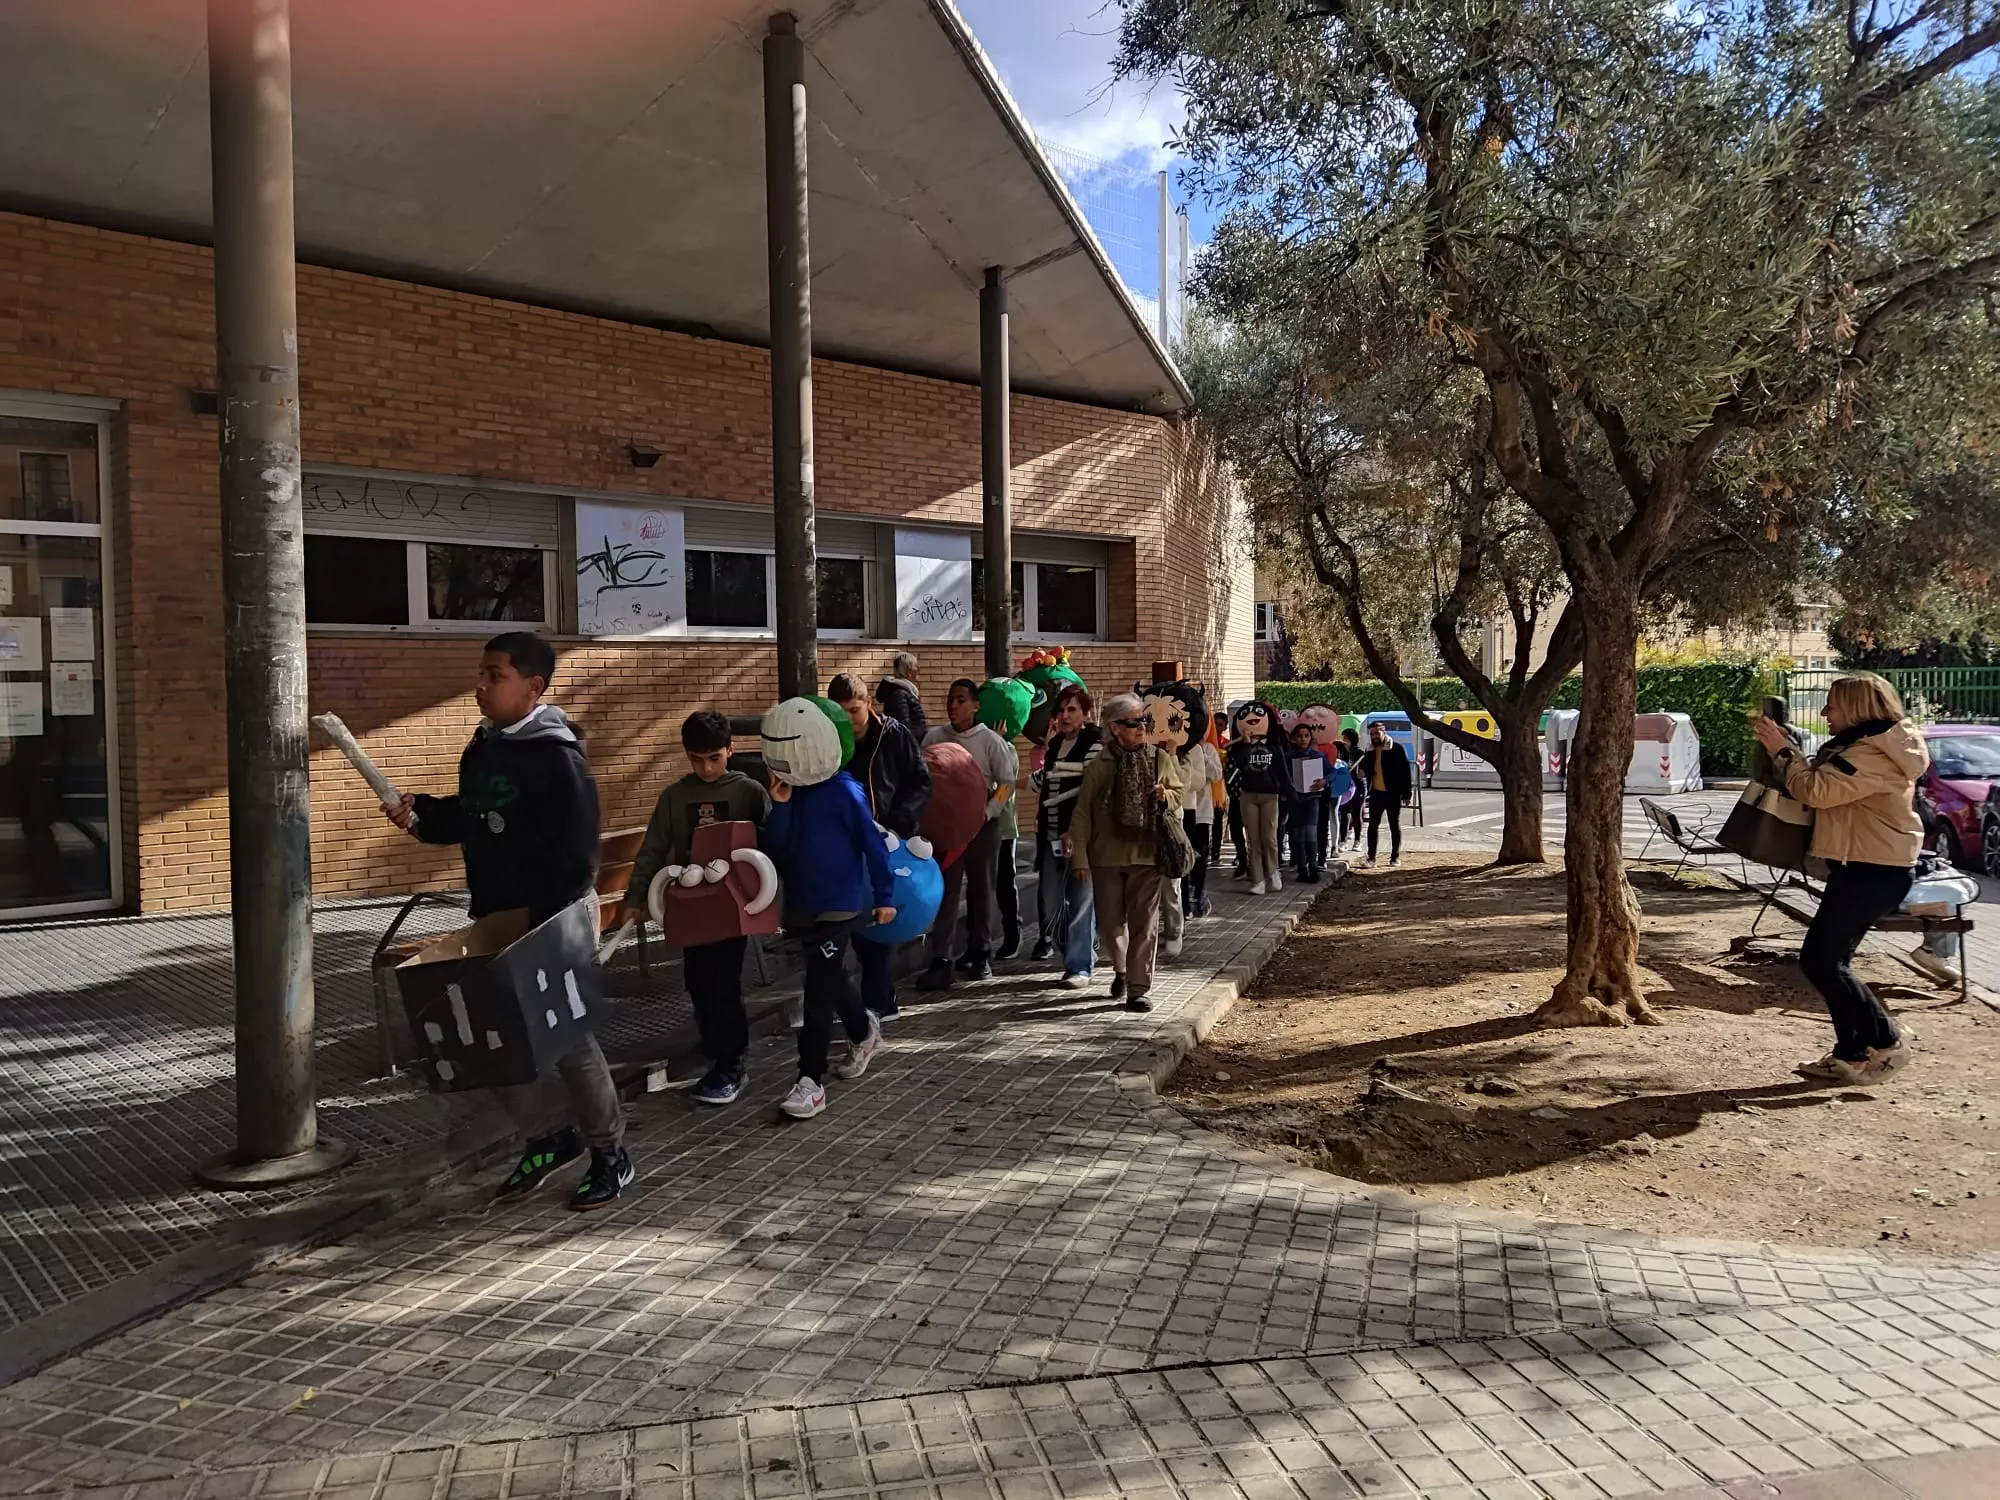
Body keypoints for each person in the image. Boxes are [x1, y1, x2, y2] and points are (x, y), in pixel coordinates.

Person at [388, 631, 633, 1210]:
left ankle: (610, 1152)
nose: (480, 686)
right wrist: (424, 815)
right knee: (487, 1040)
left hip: (550, 919)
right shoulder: (484, 746)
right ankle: (549, 1138)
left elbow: (578, 855)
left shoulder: (557, 757)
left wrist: (541, 931)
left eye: (495, 676)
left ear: (533, 687)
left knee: (567, 1039)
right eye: (481, 673)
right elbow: (475, 816)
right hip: (495, 919)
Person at [1753, 673, 1928, 1085]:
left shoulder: (1874, 754)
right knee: (1833, 962)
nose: (1823, 713)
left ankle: (1886, 1040)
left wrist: (1783, 752)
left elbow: (1817, 791)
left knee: (1821, 961)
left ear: (1855, 708)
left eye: (1831, 705)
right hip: (1864, 867)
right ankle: (1850, 1054)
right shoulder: (1864, 746)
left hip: (1874, 872)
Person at [621, 710, 770, 1107]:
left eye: (714, 758)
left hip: (733, 905)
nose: (706, 768)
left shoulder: (749, 791)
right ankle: (715, 1053)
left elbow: (773, 841)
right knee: (698, 982)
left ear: (730, 750)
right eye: (696, 759)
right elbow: (654, 848)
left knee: (724, 982)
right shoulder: (675, 797)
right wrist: (636, 898)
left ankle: (730, 1063)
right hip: (691, 904)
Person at [762, 743, 897, 1120]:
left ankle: (810, 1081)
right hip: (802, 907)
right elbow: (777, 849)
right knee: (829, 977)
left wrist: (885, 895)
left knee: (817, 992)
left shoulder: (845, 790)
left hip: (838, 905)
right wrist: (781, 806)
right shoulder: (792, 791)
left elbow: (873, 843)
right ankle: (864, 1031)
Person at [1068, 693, 1184, 1012]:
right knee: (1110, 924)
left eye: (1144, 720)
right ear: (1115, 728)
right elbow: (1082, 813)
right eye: (1134, 722)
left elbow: (1178, 792)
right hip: (1106, 856)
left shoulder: (1159, 758)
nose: (1142, 727)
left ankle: (1138, 989)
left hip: (1148, 854)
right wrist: (1080, 858)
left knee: (1144, 925)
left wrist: (1164, 794)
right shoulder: (1100, 764)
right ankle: (1120, 970)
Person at [827, 673, 932, 1022]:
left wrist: (900, 821)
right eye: (840, 712)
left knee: (878, 922)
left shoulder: (893, 733)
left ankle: (879, 1002)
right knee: (852, 923)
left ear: (868, 703)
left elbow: (920, 780)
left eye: (853, 710)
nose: (848, 720)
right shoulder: (829, 738)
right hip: (845, 839)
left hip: (888, 837)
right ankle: (872, 1000)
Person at [919, 679, 1018, 987]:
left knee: (982, 889)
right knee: (946, 891)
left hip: (982, 826)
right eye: (950, 700)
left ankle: (980, 953)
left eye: (961, 700)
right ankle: (941, 959)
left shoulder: (990, 741)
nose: (953, 706)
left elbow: (1006, 783)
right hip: (946, 829)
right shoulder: (935, 737)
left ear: (976, 705)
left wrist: (987, 812)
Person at [1029, 684, 1102, 986]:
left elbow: (1092, 792)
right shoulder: (1056, 744)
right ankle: (1078, 950)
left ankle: (1079, 965)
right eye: (1061, 710)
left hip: (1081, 838)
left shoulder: (1095, 742)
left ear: (1085, 713)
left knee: (1081, 900)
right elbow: (1041, 782)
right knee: (1051, 904)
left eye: (1072, 709)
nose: (1065, 716)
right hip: (1050, 837)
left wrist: (1076, 831)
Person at [1225, 702, 1289, 894]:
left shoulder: (1275, 747)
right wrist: (1245, 744)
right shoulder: (1238, 749)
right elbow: (1242, 765)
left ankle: (1273, 871)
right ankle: (1258, 879)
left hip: (1270, 795)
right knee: (1253, 839)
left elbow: (1283, 773)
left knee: (1269, 837)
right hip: (1248, 795)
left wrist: (1289, 794)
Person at [1182, 715, 1226, 921]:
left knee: (1200, 855)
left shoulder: (1209, 749)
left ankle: (1198, 892)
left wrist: (1202, 755)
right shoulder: (1181, 748)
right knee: (1185, 855)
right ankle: (1185, 899)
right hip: (1185, 809)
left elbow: (1216, 774)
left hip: (1202, 811)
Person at [1359, 722, 1411, 868]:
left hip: (1393, 793)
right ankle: (1371, 858)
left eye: (1377, 733)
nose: (1374, 736)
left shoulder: (1396, 749)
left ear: (1384, 732)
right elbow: (1366, 767)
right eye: (1372, 734)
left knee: (1394, 825)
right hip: (1376, 793)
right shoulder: (1369, 750)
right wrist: (1362, 772)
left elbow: (1405, 772)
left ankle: (1395, 857)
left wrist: (1407, 794)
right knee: (1372, 826)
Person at [1287, 723, 1331, 883]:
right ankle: (1301, 869)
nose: (1303, 739)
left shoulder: (1318, 756)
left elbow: (1332, 772)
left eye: (1306, 736)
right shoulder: (1289, 756)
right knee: (1297, 834)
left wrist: (1324, 781)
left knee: (1311, 833)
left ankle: (1313, 867)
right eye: (1299, 736)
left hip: (1312, 798)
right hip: (1295, 799)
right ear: (1294, 738)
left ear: (1310, 737)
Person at [875, 651, 927, 737]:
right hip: (910, 743)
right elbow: (904, 728)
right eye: (916, 667)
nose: (918, 670)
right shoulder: (899, 694)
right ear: (908, 671)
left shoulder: (905, 691)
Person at [1336, 728, 1366, 850]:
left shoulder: (1360, 753)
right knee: (1344, 812)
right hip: (1345, 784)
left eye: (1346, 739)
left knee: (1356, 812)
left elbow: (1364, 769)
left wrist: (1362, 772)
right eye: (1343, 738)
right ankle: (1342, 841)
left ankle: (1357, 841)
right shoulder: (1341, 751)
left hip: (1358, 785)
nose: (1344, 741)